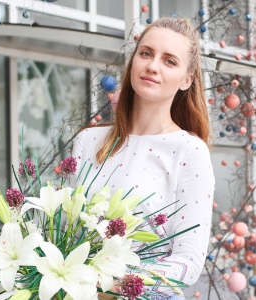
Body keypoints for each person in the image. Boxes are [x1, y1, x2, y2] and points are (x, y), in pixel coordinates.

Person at [72, 17, 215, 300]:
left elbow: (189, 261)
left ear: (187, 80)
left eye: (169, 61)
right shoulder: (88, 141)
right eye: (146, 53)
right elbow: (66, 229)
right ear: (133, 61)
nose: (152, 66)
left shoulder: (189, 150)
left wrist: (116, 281)